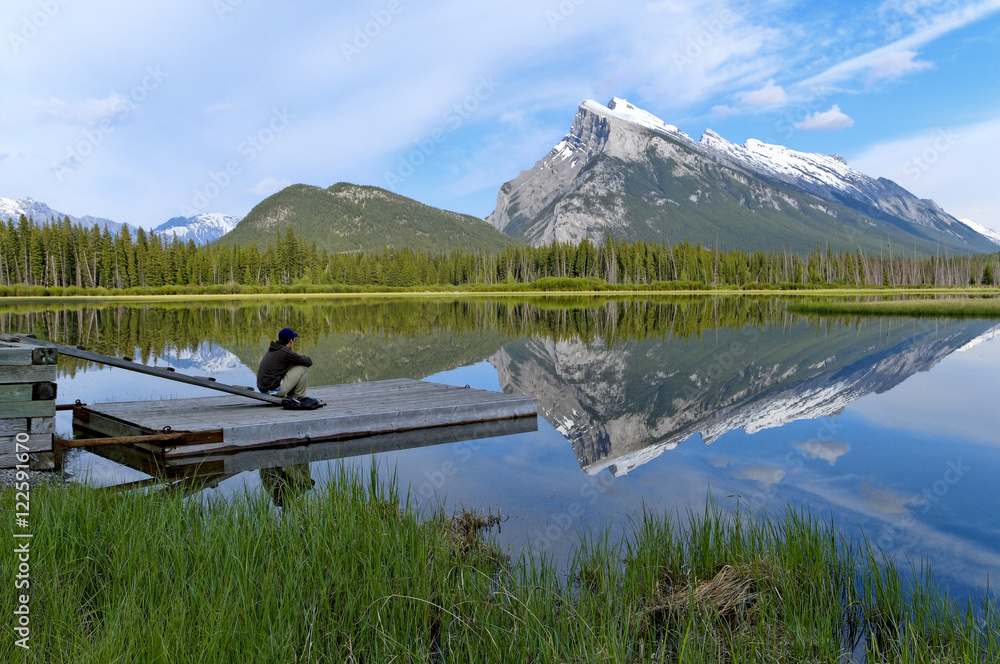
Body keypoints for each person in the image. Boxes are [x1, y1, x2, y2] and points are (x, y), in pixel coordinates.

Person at [257, 327, 313, 400]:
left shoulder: (274, 348)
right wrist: (301, 357)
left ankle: (291, 394)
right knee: (303, 368)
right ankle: (299, 397)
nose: (294, 342)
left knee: (293, 364)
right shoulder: (285, 352)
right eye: (294, 340)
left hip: (264, 390)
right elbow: (308, 362)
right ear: (290, 341)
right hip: (274, 391)